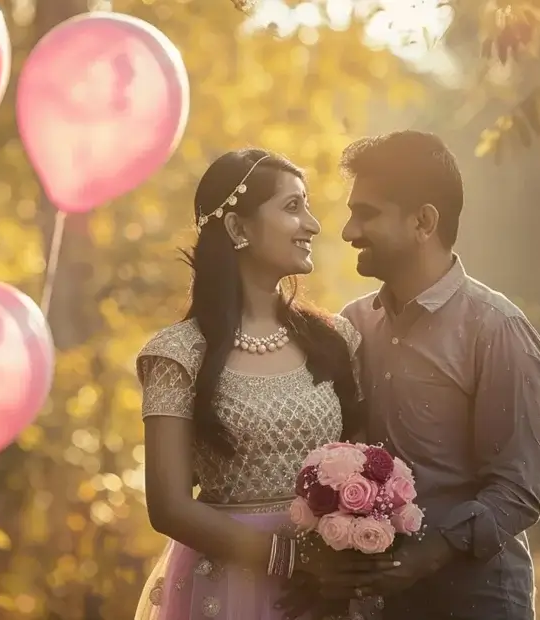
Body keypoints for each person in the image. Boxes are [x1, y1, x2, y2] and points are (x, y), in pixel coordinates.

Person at [280, 130, 540, 620]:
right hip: (377, 605)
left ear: (423, 222)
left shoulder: (497, 329)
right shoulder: (355, 324)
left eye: (366, 213)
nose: (347, 232)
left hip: (475, 602)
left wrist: (427, 554)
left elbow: (518, 492)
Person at [133, 148, 386, 619]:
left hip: (326, 591)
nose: (312, 225)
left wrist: (341, 556)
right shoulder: (177, 354)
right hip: (228, 587)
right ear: (237, 228)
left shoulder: (336, 341)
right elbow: (167, 506)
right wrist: (290, 561)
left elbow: (365, 463)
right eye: (293, 207)